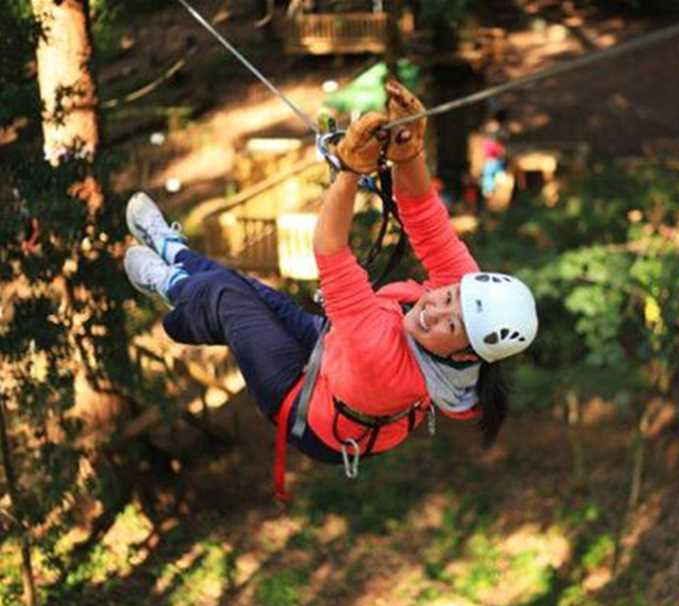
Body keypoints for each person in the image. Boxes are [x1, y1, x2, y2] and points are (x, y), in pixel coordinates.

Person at [122, 81, 538, 493]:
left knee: (228, 300)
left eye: (451, 326)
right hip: (333, 353)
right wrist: (408, 151)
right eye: (448, 298)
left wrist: (348, 173)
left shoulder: (382, 356)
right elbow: (424, 215)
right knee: (250, 290)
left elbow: (330, 250)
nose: (435, 309)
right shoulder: (463, 295)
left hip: (308, 409)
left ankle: (171, 285)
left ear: (467, 354)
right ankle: (172, 250)